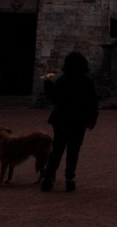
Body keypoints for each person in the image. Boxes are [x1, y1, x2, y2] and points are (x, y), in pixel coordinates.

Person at [40, 51, 99, 192]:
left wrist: (47, 84)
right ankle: (69, 179)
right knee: (73, 150)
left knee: (57, 149)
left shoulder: (63, 80)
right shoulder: (87, 81)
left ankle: (48, 177)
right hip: (79, 120)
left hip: (63, 119)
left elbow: (54, 98)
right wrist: (92, 119)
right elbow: (93, 102)